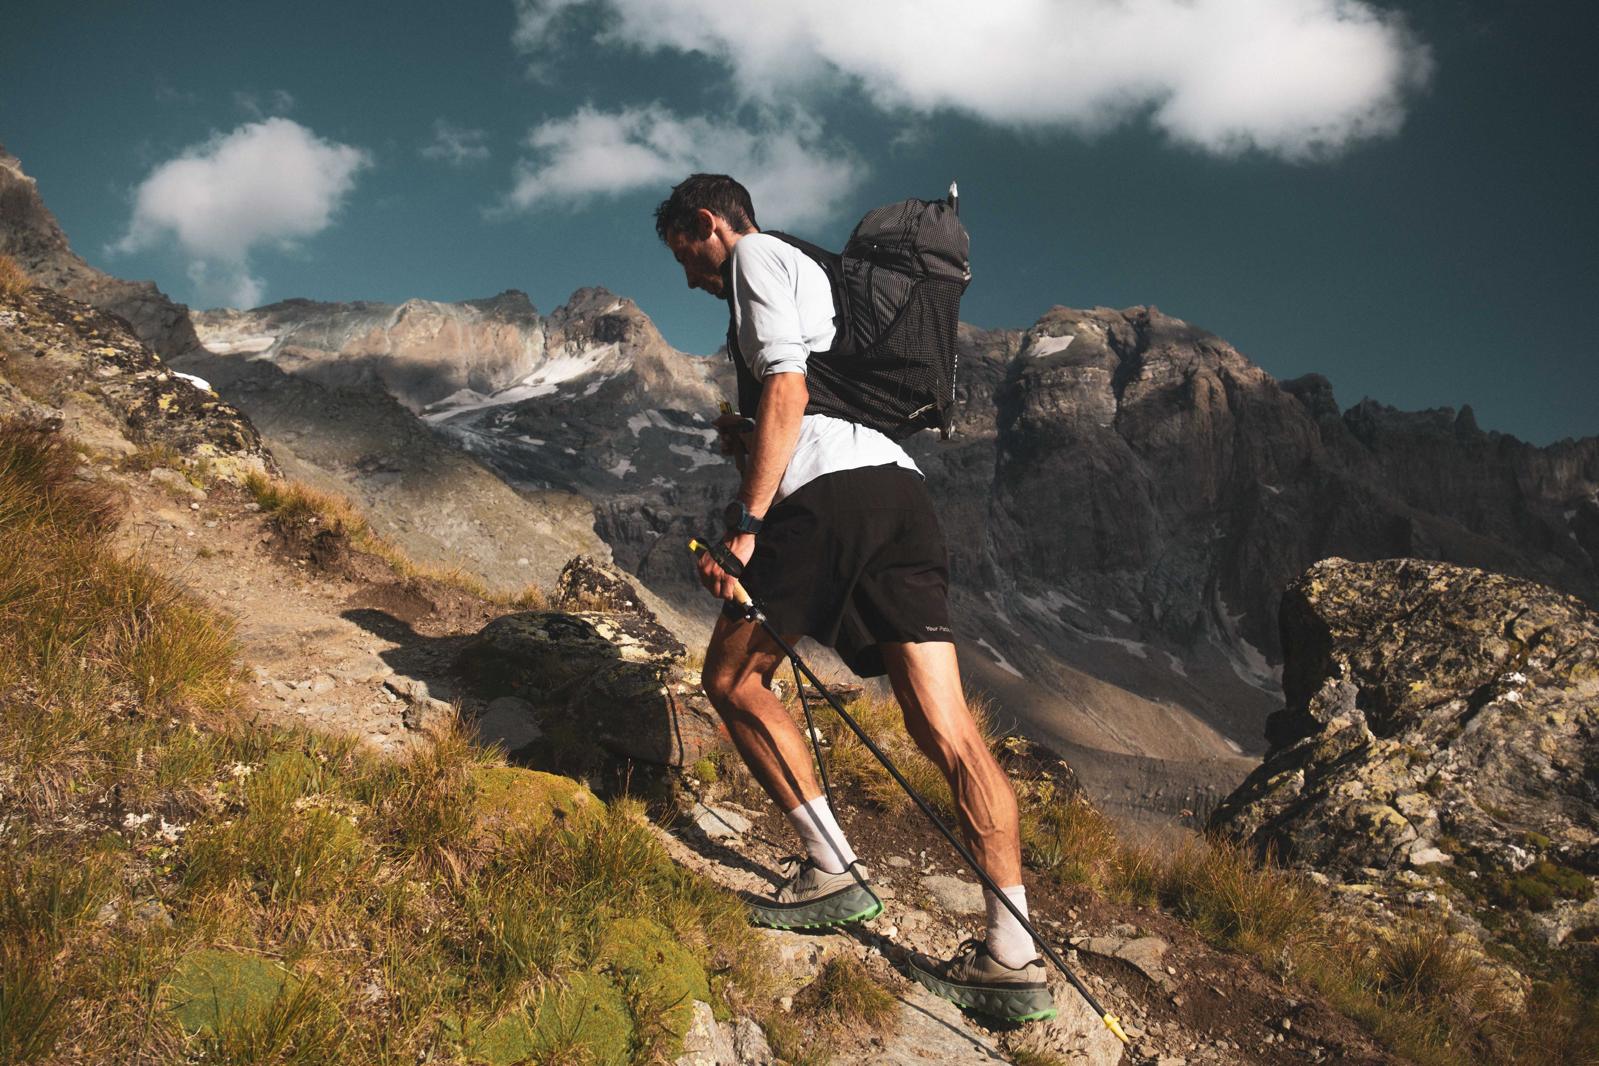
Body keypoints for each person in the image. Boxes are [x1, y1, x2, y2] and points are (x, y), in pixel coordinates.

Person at [653, 173, 1055, 1022]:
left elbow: (792, 391)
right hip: (898, 496)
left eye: (684, 253)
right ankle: (1011, 956)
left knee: (731, 681)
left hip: (825, 500)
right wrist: (747, 441)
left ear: (706, 223)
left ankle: (830, 869)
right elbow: (804, 404)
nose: (686, 274)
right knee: (946, 729)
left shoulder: (757, 258)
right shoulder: (821, 274)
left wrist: (746, 524)